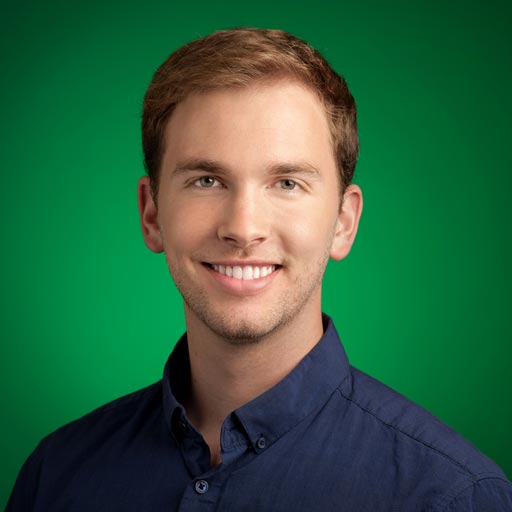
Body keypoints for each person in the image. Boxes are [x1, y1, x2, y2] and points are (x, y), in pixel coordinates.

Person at [7, 28, 512, 511]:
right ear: (152, 214)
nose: (243, 229)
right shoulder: (55, 475)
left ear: (343, 222)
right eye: (207, 180)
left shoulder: (455, 497)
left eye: (287, 183)